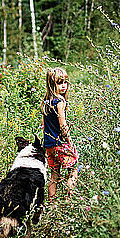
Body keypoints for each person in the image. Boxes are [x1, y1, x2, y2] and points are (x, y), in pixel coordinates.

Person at [41, 67, 78, 202]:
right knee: (73, 169)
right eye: (59, 82)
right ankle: (69, 201)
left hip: (49, 146)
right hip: (60, 143)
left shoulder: (45, 102)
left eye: (65, 82)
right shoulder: (60, 102)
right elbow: (63, 125)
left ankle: (52, 205)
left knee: (54, 176)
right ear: (52, 84)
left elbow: (43, 124)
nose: (63, 86)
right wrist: (69, 141)